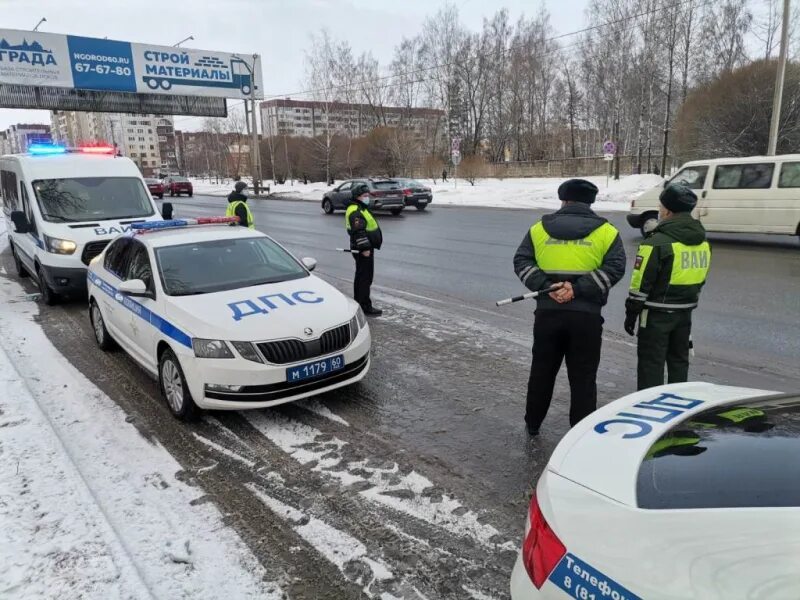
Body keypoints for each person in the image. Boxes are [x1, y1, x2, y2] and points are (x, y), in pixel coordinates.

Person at [513, 179, 626, 435]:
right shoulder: (607, 232)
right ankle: (580, 433)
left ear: (563, 200)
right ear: (590, 202)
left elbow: (521, 261)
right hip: (586, 318)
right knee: (583, 377)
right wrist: (578, 289)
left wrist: (546, 286)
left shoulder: (539, 229)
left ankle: (533, 424)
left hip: (547, 314)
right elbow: (615, 268)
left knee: (542, 371)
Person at [625, 184, 710, 390]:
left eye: (660, 206)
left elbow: (640, 283)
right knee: (679, 361)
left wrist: (631, 313)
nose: (659, 210)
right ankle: (677, 402)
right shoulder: (702, 241)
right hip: (685, 312)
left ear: (668, 211)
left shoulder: (655, 243)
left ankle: (649, 407)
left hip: (656, 314)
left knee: (651, 364)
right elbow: (701, 278)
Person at [346, 183, 383, 316]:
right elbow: (358, 232)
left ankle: (361, 304)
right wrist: (365, 248)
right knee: (364, 278)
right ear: (357, 196)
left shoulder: (361, 207)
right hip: (363, 250)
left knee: (363, 277)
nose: (367, 197)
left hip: (366, 248)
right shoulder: (355, 210)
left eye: (367, 195)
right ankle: (364, 307)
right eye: (365, 196)